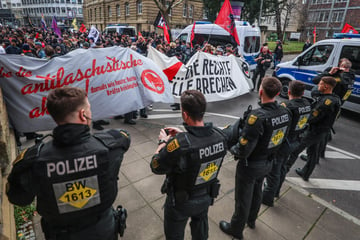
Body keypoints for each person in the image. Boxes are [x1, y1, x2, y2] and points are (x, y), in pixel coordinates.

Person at [6, 87, 131, 240]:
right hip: (103, 231)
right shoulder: (111, 146)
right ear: (83, 114)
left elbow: (18, 199)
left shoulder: (32, 161)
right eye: (89, 109)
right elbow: (125, 138)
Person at [219, 77, 292, 240]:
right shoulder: (285, 112)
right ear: (278, 92)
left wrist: (231, 148)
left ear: (260, 91)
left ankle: (236, 228)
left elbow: (243, 150)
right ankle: (251, 219)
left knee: (243, 198)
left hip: (251, 165)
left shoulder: (257, 117)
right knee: (257, 190)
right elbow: (283, 137)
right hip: (269, 161)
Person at [150, 90, 228, 240]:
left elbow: (156, 166)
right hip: (206, 196)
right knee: (200, 231)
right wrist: (183, 134)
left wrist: (163, 143)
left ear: (185, 115)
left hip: (181, 203)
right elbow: (201, 143)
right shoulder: (219, 137)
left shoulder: (179, 144)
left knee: (175, 234)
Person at [262, 80, 311, 206]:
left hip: (285, 142)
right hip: (296, 140)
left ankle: (268, 197)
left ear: (289, 91)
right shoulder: (307, 103)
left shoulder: (287, 105)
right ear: (303, 92)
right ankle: (276, 191)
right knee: (283, 167)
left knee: (274, 171)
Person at [287, 77, 340, 181]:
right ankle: (306, 173)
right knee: (313, 152)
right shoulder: (334, 98)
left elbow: (312, 117)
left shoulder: (326, 102)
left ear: (326, 86)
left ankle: (284, 170)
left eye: (320, 84)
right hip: (322, 131)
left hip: (314, 131)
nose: (318, 86)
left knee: (295, 150)